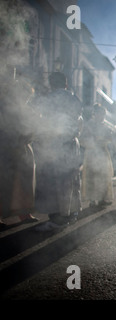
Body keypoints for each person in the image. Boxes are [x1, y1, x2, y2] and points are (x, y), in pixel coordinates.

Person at [33, 72, 83, 232]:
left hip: (56, 144)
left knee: (54, 181)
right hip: (72, 144)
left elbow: (43, 123)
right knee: (70, 179)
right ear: (66, 84)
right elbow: (79, 122)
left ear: (51, 84)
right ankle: (70, 214)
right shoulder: (75, 99)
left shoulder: (49, 99)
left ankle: (57, 219)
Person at [0, 72, 39, 229]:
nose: (26, 99)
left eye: (27, 96)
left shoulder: (28, 109)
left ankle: (24, 213)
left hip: (24, 149)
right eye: (23, 95)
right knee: (4, 183)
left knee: (24, 183)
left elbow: (34, 128)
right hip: (5, 149)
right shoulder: (4, 108)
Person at [80, 104, 115, 207]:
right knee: (91, 176)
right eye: (100, 113)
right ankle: (92, 199)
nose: (102, 116)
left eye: (103, 114)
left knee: (103, 176)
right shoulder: (89, 125)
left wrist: (109, 137)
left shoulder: (106, 126)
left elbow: (111, 139)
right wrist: (94, 141)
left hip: (103, 153)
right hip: (91, 153)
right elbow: (82, 139)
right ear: (95, 114)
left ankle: (102, 198)